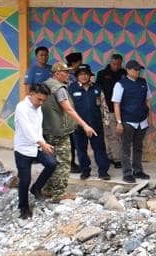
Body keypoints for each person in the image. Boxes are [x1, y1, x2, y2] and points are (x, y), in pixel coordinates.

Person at [41, 62, 96, 199]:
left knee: (51, 162)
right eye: (65, 72)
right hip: (59, 131)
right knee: (64, 162)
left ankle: (47, 189)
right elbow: (69, 109)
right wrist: (85, 125)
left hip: (47, 130)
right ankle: (59, 193)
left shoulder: (45, 84)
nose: (68, 75)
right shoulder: (60, 89)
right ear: (57, 74)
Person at [13, 83, 57, 219]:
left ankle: (36, 188)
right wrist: (42, 143)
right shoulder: (21, 108)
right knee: (24, 180)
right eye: (39, 99)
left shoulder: (38, 108)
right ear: (31, 94)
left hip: (37, 146)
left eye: (44, 100)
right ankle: (23, 208)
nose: (41, 103)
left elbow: (37, 129)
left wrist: (43, 143)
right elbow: (27, 130)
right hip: (23, 149)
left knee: (52, 163)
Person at [68, 64, 111, 181]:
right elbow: (69, 108)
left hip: (96, 124)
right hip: (79, 126)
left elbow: (103, 106)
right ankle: (85, 171)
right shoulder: (71, 88)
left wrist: (106, 121)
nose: (83, 76)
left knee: (100, 149)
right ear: (77, 76)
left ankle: (103, 172)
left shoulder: (97, 88)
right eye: (81, 74)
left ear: (90, 76)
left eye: (86, 74)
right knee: (81, 150)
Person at [112, 59, 151, 183]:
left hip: (142, 121)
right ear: (128, 70)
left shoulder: (143, 82)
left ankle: (138, 170)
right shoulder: (120, 84)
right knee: (125, 148)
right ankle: (127, 173)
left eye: (139, 69)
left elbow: (147, 100)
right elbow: (116, 104)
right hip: (128, 121)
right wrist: (118, 122)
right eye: (135, 69)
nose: (138, 71)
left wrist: (149, 117)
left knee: (138, 147)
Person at [96, 54, 126, 168]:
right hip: (108, 109)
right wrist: (100, 107)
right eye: (114, 64)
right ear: (110, 62)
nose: (116, 66)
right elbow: (98, 92)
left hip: (122, 109)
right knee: (111, 135)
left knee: (116, 135)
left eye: (118, 64)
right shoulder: (102, 74)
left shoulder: (123, 73)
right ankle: (116, 159)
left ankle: (112, 156)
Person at [64, 51, 84, 172]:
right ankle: (70, 164)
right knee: (70, 140)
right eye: (79, 62)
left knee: (74, 139)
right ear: (75, 63)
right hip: (68, 111)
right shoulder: (67, 76)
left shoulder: (73, 75)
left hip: (75, 110)